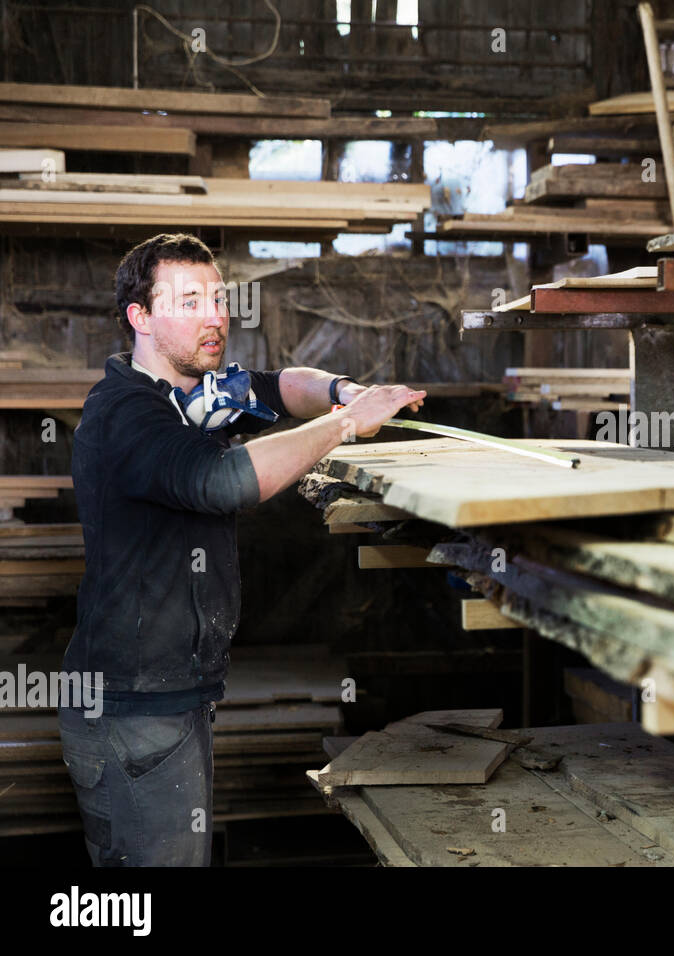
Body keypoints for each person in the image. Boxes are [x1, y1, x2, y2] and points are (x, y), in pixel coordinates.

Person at [58, 233, 425, 866]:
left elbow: (281, 386)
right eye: (191, 300)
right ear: (139, 318)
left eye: (220, 299)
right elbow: (222, 482)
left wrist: (342, 393)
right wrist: (346, 426)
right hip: (133, 705)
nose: (215, 315)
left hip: (172, 696)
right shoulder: (128, 414)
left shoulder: (196, 395)